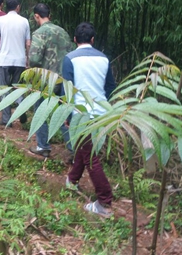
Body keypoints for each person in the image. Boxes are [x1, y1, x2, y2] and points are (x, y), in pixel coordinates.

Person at [63, 22, 116, 217]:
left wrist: (68, 116)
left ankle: (104, 201)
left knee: (90, 156)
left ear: (74, 39)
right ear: (93, 40)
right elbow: (110, 87)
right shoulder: (104, 58)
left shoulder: (69, 59)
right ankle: (72, 180)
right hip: (101, 112)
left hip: (81, 113)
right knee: (84, 149)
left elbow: (68, 91)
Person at [28, 3, 74, 157]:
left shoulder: (39, 33)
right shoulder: (63, 32)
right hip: (64, 79)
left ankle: (43, 146)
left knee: (40, 112)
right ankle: (73, 148)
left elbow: (34, 59)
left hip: (46, 79)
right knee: (62, 114)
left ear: (36, 16)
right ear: (50, 15)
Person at [0, 0, 30, 125]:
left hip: (4, 60)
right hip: (19, 60)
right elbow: (28, 43)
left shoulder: (0, 20)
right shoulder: (24, 21)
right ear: (18, 7)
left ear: (5, 7)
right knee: (18, 88)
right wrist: (27, 58)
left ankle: (6, 119)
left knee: (4, 89)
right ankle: (21, 108)